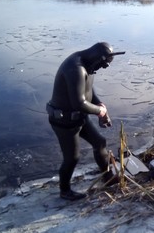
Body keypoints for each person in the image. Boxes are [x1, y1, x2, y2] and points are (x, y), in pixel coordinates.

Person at [46, 42, 125, 201]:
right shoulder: (75, 69)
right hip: (64, 121)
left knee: (99, 142)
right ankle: (65, 190)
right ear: (97, 58)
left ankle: (107, 177)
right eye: (103, 65)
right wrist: (99, 111)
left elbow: (88, 89)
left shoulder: (89, 64)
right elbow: (79, 103)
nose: (102, 68)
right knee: (72, 157)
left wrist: (99, 104)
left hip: (79, 117)